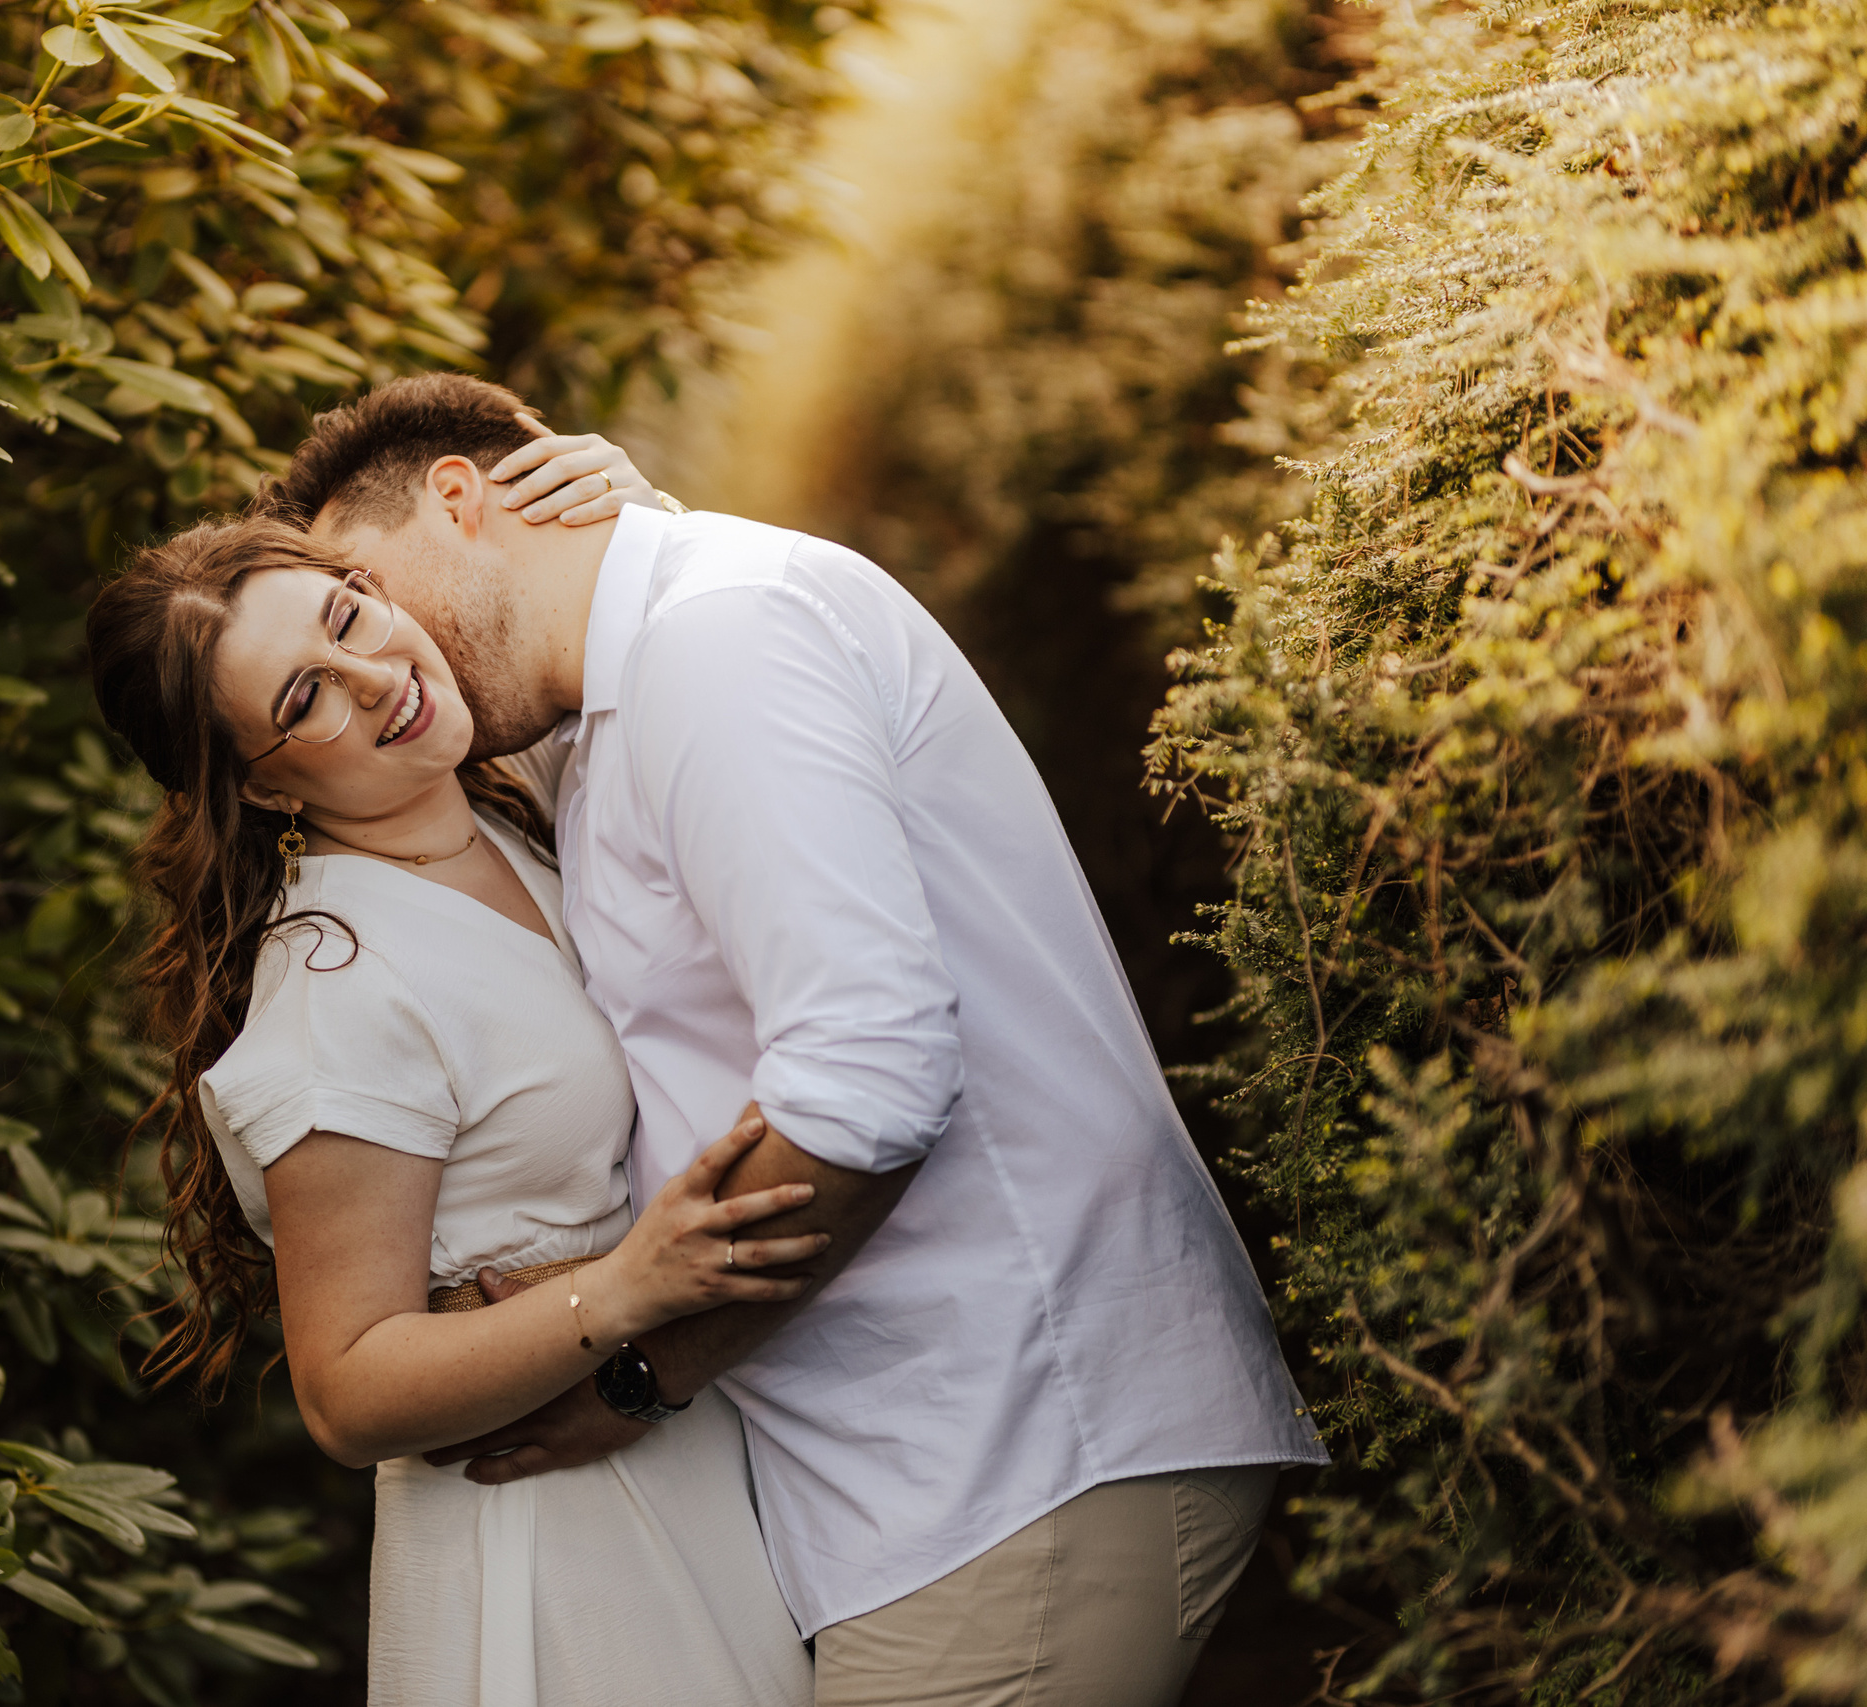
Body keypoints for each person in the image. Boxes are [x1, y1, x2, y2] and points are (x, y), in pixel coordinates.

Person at [250, 374, 1332, 1707]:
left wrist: (645, 1368)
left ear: (465, 498)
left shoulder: (720, 638)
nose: (384, 659)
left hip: (1019, 1440)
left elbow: (867, 1078)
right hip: (927, 1469)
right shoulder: (609, 701)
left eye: (361, 593)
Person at [83, 454, 820, 1707]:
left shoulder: (511, 814)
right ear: (263, 785)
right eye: (308, 695)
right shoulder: (338, 985)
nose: (380, 680)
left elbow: (561, 591)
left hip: (686, 1468)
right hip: (554, 1540)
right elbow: (347, 1386)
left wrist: (626, 499)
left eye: (349, 614)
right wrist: (624, 1285)